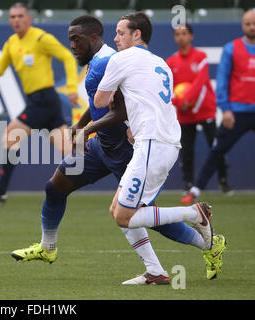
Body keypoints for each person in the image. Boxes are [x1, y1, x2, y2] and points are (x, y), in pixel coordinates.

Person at [10, 15, 226, 284]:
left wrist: (89, 129)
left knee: (136, 214)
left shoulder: (113, 61)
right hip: (102, 145)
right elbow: (101, 102)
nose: (72, 46)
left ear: (93, 38)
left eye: (75, 40)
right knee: (56, 187)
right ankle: (48, 247)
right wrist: (81, 123)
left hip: (126, 148)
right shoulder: (111, 60)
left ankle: (201, 246)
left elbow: (119, 107)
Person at [93, 12, 227, 282]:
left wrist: (110, 94)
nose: (115, 38)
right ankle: (156, 271)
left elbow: (99, 101)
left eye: (120, 32)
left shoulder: (121, 59)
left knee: (123, 216)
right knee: (117, 209)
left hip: (153, 144)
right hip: (160, 142)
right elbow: (149, 99)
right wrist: (133, 123)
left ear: (137, 34)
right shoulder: (161, 63)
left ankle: (194, 213)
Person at [0, 2, 78, 204]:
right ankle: (117, 176)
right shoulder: (11, 43)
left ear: (29, 19)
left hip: (44, 99)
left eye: (20, 16)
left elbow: (67, 56)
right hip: (42, 101)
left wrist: (72, 87)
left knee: (11, 135)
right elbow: (1, 64)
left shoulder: (40, 38)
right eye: (12, 17)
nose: (16, 20)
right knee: (70, 152)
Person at [181, 9, 255, 204]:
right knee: (217, 150)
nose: (252, 27)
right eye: (248, 23)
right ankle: (195, 190)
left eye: (254, 23)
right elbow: (222, 80)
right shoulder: (232, 48)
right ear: (242, 25)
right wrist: (226, 109)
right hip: (236, 112)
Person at [166, 24, 232, 194]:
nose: (181, 37)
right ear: (174, 38)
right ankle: (188, 184)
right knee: (186, 150)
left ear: (191, 36)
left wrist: (186, 99)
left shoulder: (201, 57)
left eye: (184, 33)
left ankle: (223, 182)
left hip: (205, 110)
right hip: (184, 113)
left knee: (216, 147)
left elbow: (200, 82)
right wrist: (180, 103)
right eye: (177, 34)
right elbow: (167, 87)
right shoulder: (171, 62)